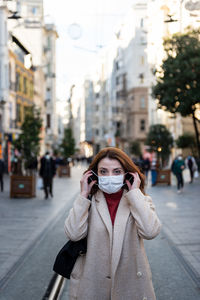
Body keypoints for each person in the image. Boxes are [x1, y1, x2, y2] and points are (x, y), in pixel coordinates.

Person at [64, 147, 161, 300]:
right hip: (92, 285)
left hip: (130, 285)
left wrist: (135, 193)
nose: (110, 176)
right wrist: (83, 195)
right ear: (94, 174)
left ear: (127, 174)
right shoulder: (88, 201)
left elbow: (150, 232)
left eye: (117, 171)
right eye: (103, 171)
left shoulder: (138, 200)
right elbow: (74, 234)